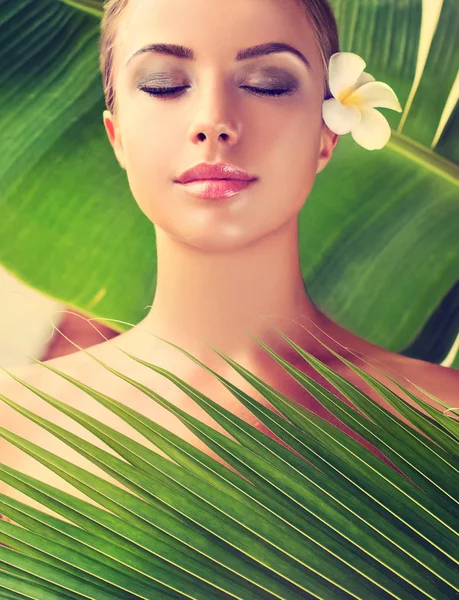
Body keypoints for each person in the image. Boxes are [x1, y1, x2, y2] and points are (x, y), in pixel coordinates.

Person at [0, 0, 458, 524]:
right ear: (117, 135)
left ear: (327, 136)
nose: (213, 122)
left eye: (267, 83)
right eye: (164, 84)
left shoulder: (446, 419)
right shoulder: (11, 435)